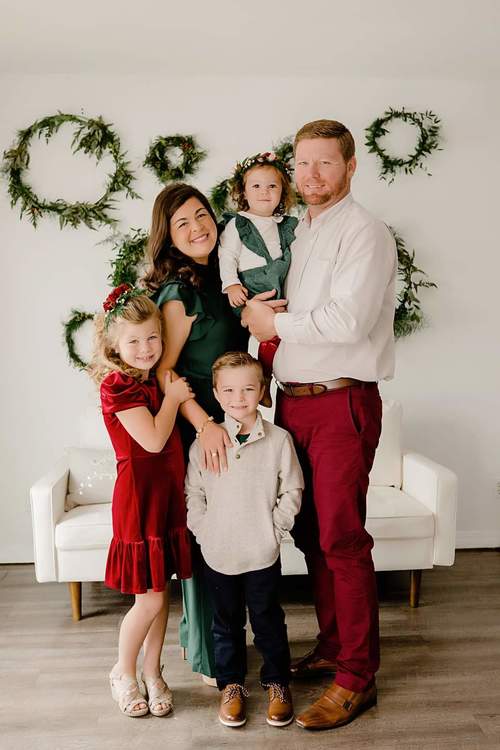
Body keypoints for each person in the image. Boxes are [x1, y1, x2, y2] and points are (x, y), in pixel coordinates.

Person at [243, 119, 397, 731]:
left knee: (341, 539)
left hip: (341, 402)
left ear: (350, 166)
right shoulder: (299, 233)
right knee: (310, 535)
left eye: (325, 162)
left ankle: (358, 678)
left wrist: (274, 326)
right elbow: (291, 313)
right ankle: (334, 647)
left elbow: (348, 320)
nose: (310, 175)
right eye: (302, 163)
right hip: (294, 405)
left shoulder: (364, 232)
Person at [142, 184, 249, 685]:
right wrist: (204, 425)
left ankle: (221, 640)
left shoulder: (224, 279)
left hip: (231, 420)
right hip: (198, 428)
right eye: (182, 223)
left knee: (233, 536)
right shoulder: (178, 293)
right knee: (210, 539)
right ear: (168, 237)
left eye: (201, 215)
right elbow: (165, 372)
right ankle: (210, 655)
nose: (197, 227)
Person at [87, 285, 193, 717]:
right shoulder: (118, 385)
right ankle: (123, 672)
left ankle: (153, 671)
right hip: (139, 499)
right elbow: (152, 440)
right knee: (147, 599)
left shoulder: (150, 378)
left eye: (152, 337)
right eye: (133, 341)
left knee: (160, 593)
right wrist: (174, 399)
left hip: (166, 495)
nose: (146, 348)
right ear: (114, 345)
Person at [185, 352, 303, 728]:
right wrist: (205, 532)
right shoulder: (203, 444)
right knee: (225, 624)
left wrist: (274, 530)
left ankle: (277, 682)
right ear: (216, 394)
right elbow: (194, 495)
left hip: (262, 552)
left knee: (268, 621)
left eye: (248, 389)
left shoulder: (279, 441)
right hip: (219, 552)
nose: (239, 398)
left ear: (261, 390)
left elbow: (292, 490)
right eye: (229, 390)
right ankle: (232, 685)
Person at [219, 151, 297, 407]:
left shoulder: (284, 224)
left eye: (272, 186)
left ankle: (267, 377)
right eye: (256, 186)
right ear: (243, 192)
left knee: (279, 336)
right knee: (266, 334)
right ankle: (259, 379)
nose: (264, 192)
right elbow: (227, 256)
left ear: (282, 192)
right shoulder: (239, 224)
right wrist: (231, 284)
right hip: (251, 287)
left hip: (277, 283)